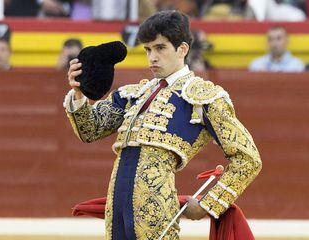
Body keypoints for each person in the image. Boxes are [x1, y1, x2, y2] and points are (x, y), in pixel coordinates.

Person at [64, 10, 262, 239]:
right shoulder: (134, 94)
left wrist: (210, 203)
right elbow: (90, 130)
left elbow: (248, 158)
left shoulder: (203, 97)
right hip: (117, 207)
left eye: (160, 48)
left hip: (156, 210)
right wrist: (78, 94)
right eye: (148, 50)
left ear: (182, 49)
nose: (152, 58)